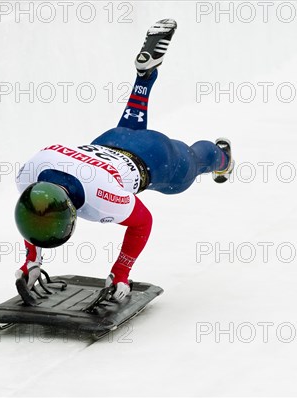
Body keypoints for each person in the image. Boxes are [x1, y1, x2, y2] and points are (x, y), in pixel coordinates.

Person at [14, 19, 234, 303]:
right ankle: (144, 77)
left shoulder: (103, 199)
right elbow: (36, 209)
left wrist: (121, 271)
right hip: (110, 141)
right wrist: (31, 260)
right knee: (129, 132)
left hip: (155, 157)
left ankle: (222, 157)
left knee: (194, 163)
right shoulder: (28, 176)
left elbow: (143, 222)